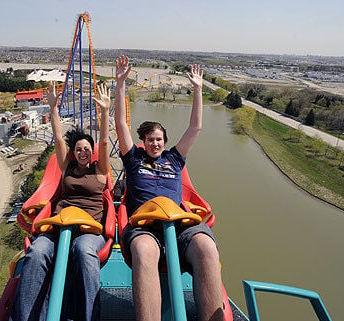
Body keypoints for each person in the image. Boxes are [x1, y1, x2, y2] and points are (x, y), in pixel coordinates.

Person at [114, 55, 225, 321]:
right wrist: (120, 85)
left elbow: (195, 127)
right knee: (143, 251)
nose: (155, 144)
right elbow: (120, 124)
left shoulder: (174, 159)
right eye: (150, 140)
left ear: (165, 141)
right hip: (145, 225)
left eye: (159, 140)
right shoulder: (133, 159)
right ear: (143, 140)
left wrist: (198, 89)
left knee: (206, 248)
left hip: (180, 224)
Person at [12, 81, 111, 321]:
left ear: (93, 151)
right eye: (78, 149)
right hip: (59, 225)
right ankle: (26, 317)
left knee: (83, 250)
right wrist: (53, 109)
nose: (83, 152)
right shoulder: (67, 168)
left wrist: (105, 112)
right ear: (74, 153)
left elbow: (106, 143)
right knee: (36, 252)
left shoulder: (100, 171)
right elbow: (58, 139)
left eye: (87, 148)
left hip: (90, 229)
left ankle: (88, 316)